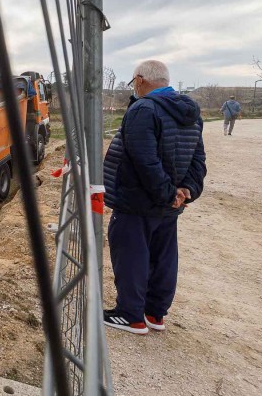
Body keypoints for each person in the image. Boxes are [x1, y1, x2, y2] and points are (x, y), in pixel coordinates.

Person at [102, 60, 207, 335]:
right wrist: (187, 191)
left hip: (136, 201)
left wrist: (166, 194)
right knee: (163, 256)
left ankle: (130, 315)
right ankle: (154, 313)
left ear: (139, 80)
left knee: (132, 254)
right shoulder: (190, 112)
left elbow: (143, 159)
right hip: (169, 204)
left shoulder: (144, 110)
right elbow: (198, 159)